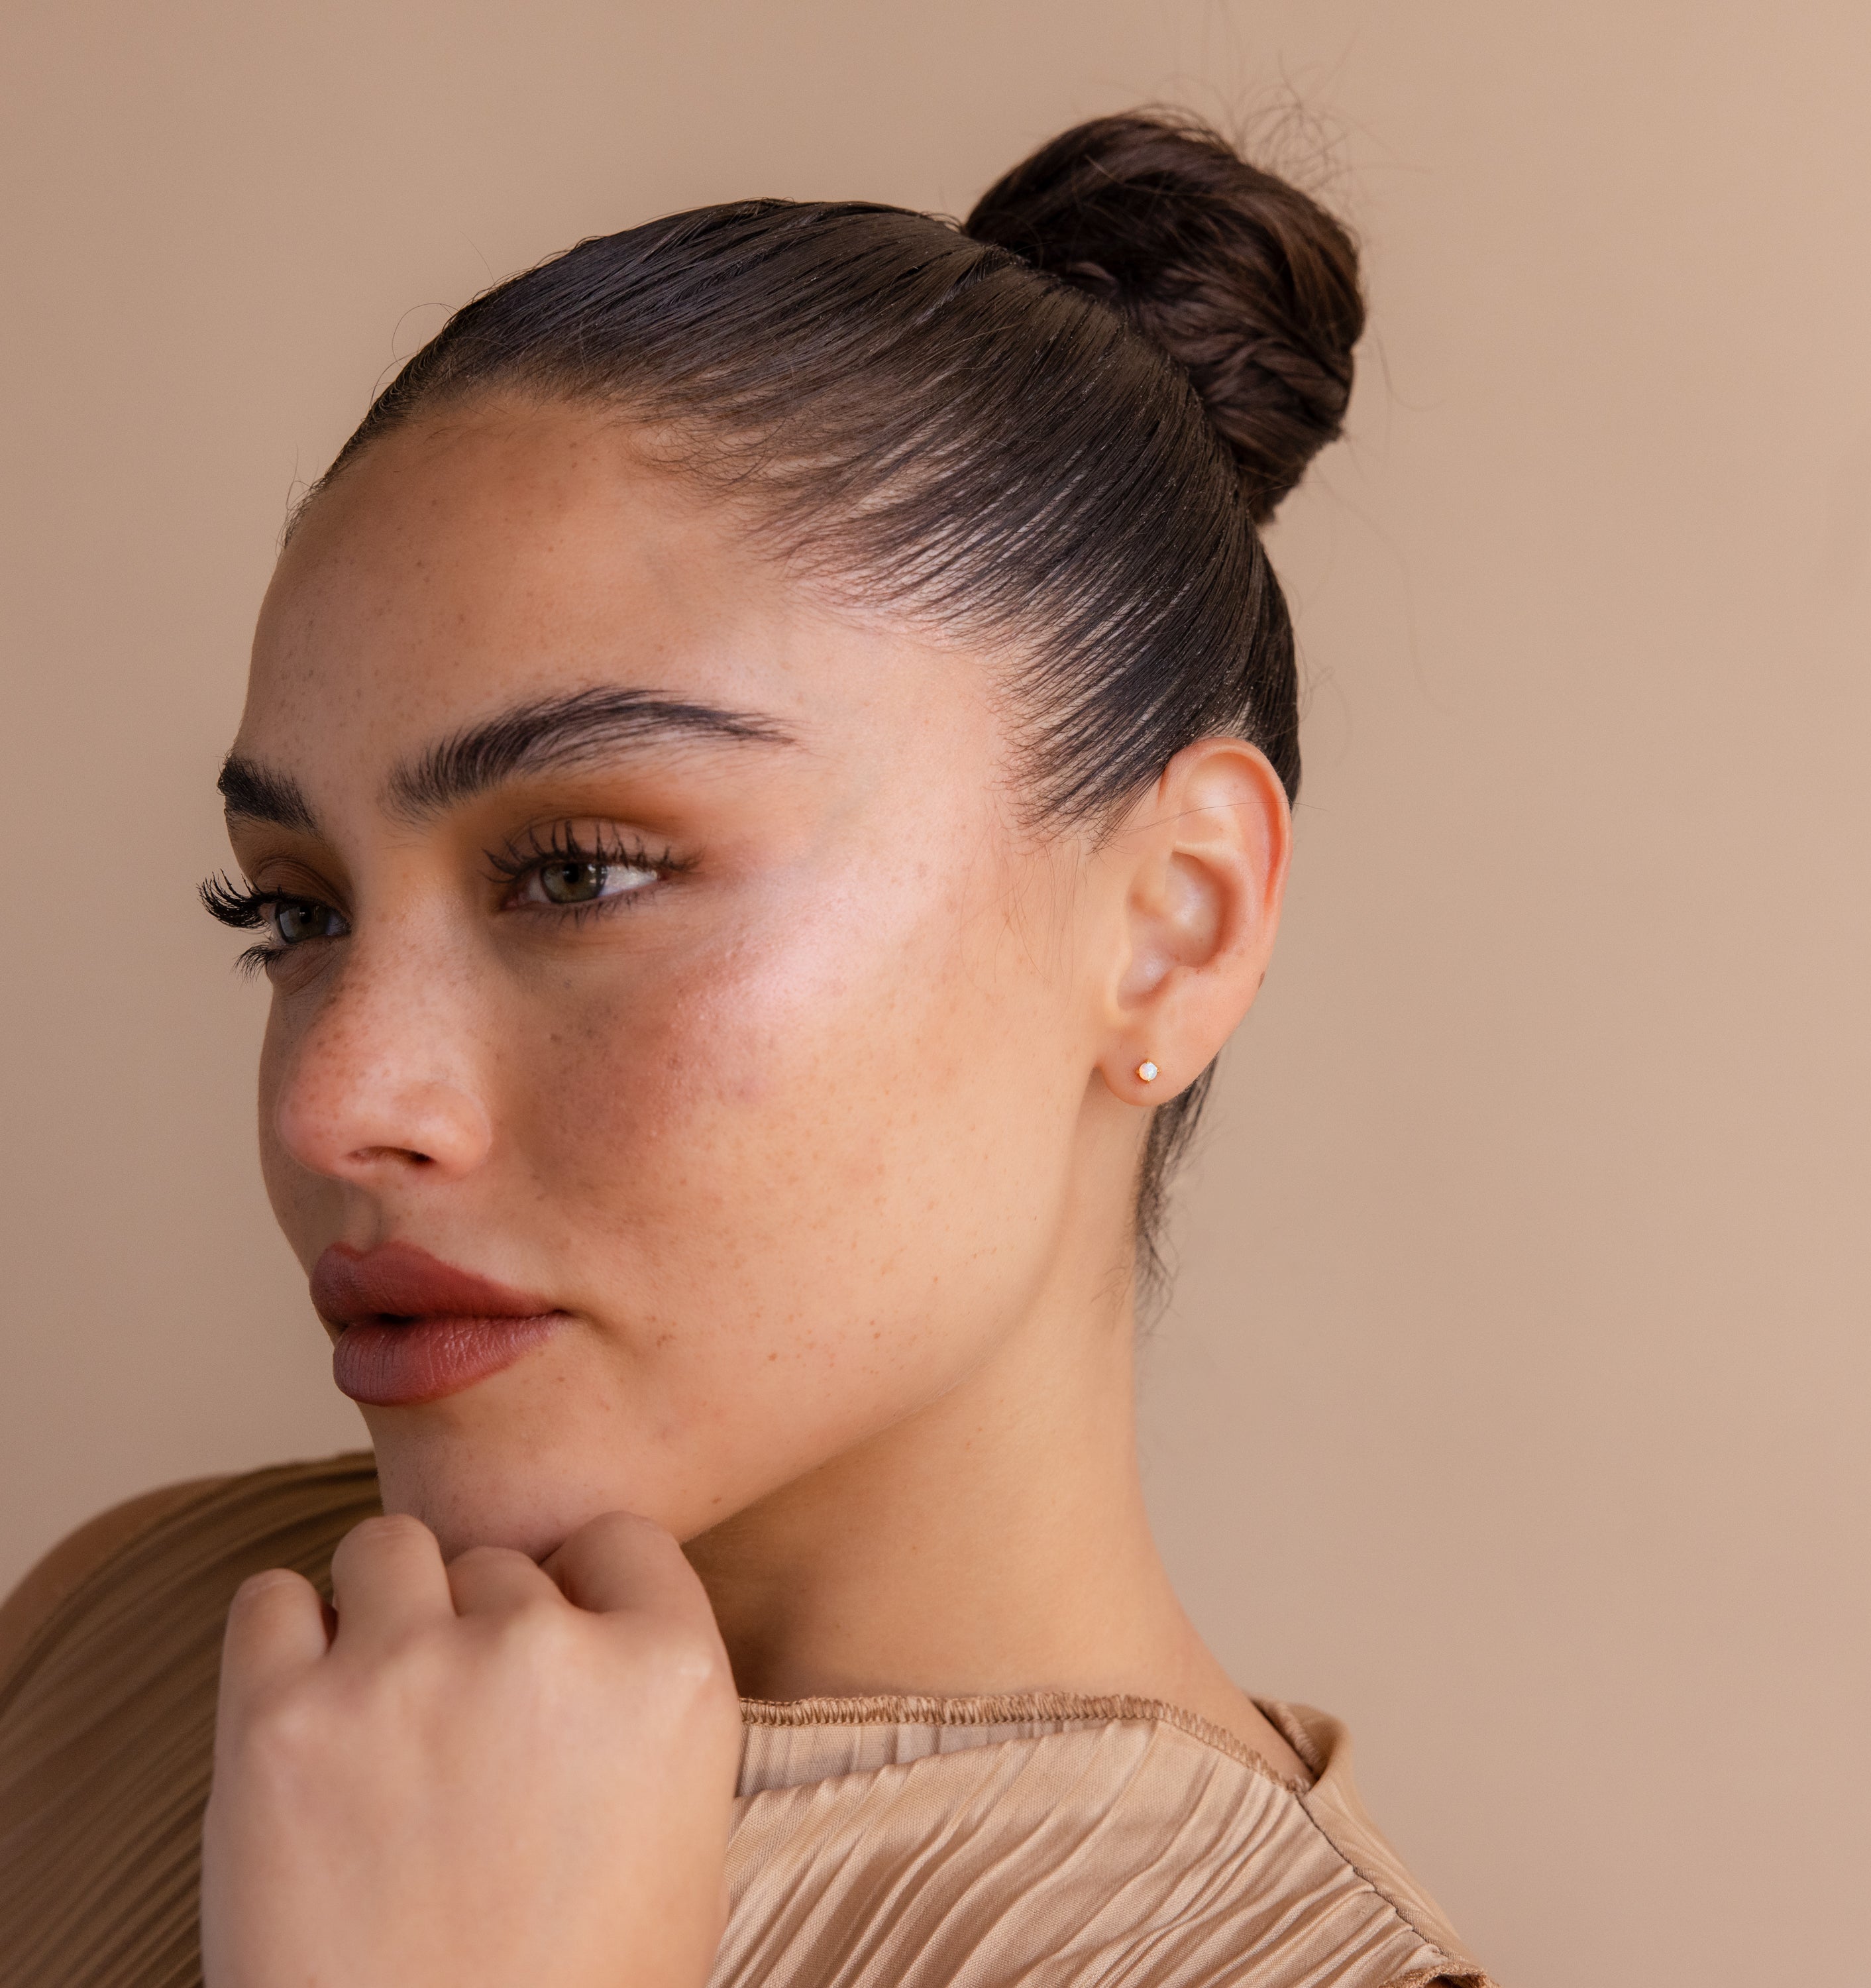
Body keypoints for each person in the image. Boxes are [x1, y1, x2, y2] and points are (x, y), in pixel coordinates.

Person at [0, 112, 1494, 1988]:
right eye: (293, 913)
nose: (334, 1103)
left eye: (581, 871)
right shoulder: (136, 1646)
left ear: (1170, 922)